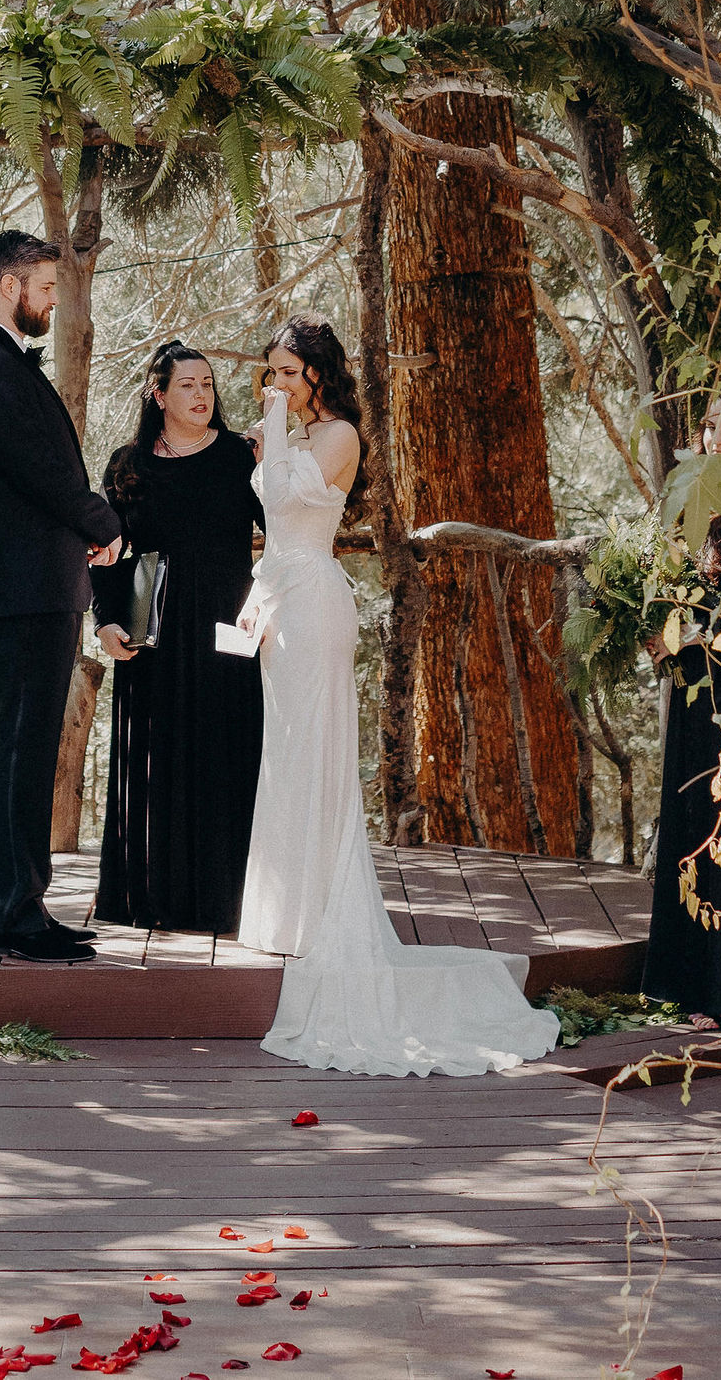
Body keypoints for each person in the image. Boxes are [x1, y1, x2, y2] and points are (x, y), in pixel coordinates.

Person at [237, 314, 559, 1075]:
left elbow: (289, 504)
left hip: (314, 595)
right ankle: (279, 905)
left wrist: (274, 435)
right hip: (276, 593)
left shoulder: (340, 433)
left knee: (314, 748)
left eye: (287, 370)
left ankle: (319, 909)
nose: (275, 383)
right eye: (271, 372)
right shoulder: (288, 428)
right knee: (282, 753)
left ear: (317, 372)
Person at [0, 230, 122, 962]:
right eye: (46, 288)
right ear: (11, 285)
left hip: (38, 582)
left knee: (31, 746)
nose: (53, 301)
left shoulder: (1, 362)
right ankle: (14, 916)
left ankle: (27, 906)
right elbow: (37, 470)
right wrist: (100, 519)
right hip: (21, 587)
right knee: (23, 748)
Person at [90, 342, 263, 934]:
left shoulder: (242, 457)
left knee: (227, 752)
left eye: (208, 384)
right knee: (154, 761)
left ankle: (228, 902)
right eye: (187, 385)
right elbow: (106, 556)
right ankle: (151, 900)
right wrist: (106, 621)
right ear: (158, 395)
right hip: (154, 634)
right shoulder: (128, 464)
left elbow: (286, 530)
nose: (201, 395)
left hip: (230, 626)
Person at [642, 399, 721, 1026]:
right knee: (692, 816)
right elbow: (668, 594)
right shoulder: (686, 507)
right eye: (712, 424)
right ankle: (691, 986)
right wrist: (658, 631)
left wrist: (701, 636)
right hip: (694, 695)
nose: (718, 436)